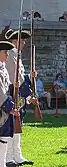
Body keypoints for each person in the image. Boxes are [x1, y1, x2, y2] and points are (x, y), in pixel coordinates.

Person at [4, 29, 35, 166]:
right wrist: (28, 96)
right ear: (14, 41)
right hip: (11, 94)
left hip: (18, 95)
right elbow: (15, 79)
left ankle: (17, 155)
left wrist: (30, 76)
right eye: (21, 40)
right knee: (10, 126)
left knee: (18, 126)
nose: (24, 43)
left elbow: (22, 78)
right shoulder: (10, 55)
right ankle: (8, 157)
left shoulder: (16, 55)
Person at [0, 41, 20, 167]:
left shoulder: (3, 67)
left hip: (4, 108)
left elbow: (6, 88)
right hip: (2, 108)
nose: (7, 55)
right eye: (4, 52)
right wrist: (9, 107)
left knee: (4, 138)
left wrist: (14, 87)